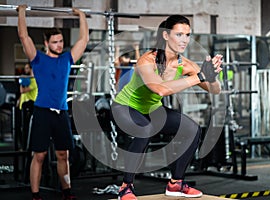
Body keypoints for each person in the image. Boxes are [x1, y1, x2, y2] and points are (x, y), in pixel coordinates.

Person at [111, 15, 223, 200]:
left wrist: (211, 76)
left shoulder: (185, 64)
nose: (184, 40)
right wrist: (200, 76)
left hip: (152, 109)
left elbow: (215, 90)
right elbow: (160, 89)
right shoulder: (146, 61)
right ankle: (125, 187)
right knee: (145, 129)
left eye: (187, 35)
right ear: (165, 35)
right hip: (125, 107)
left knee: (192, 129)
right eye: (179, 34)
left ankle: (175, 183)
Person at [17, 4, 89, 200]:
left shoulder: (67, 59)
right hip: (42, 112)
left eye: (61, 41)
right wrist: (22, 12)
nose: (59, 45)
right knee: (39, 156)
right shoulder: (37, 59)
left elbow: (84, 39)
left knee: (63, 155)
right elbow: (24, 37)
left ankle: (67, 192)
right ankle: (35, 194)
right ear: (47, 43)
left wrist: (81, 16)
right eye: (55, 42)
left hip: (62, 113)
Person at [18, 63, 38, 150]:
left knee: (27, 128)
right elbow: (22, 94)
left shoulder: (34, 81)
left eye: (28, 68)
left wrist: (21, 82)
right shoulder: (29, 80)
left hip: (30, 107)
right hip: (23, 106)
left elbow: (23, 90)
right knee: (19, 127)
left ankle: (26, 148)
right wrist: (19, 100)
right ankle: (22, 146)